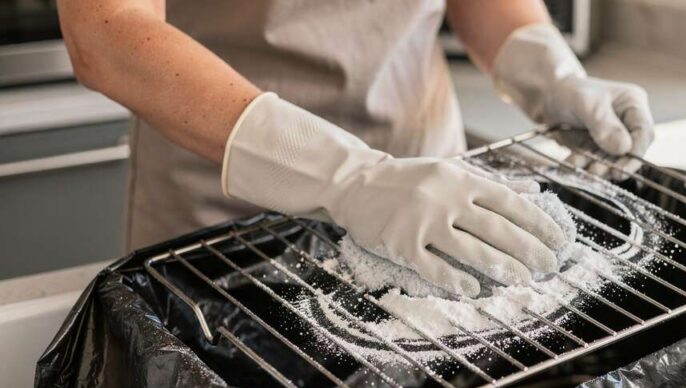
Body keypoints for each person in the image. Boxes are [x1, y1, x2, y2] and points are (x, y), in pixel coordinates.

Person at [58, 0, 654, 297]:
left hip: (433, 205)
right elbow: (106, 32)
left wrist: (548, 68)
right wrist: (347, 179)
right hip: (219, 211)